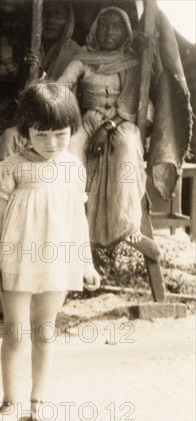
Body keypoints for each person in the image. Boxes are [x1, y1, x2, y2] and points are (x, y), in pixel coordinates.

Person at [0, 82, 101, 421]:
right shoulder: (11, 167)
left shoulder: (72, 167)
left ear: (72, 131)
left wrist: (85, 261)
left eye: (61, 134)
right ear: (25, 131)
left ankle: (39, 401)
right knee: (15, 333)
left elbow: (77, 218)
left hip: (58, 258)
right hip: (16, 258)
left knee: (46, 331)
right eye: (42, 134)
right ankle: (10, 403)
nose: (52, 143)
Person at [57, 6, 158, 258]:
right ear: (94, 30)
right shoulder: (83, 58)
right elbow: (61, 88)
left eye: (116, 26)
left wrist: (108, 127)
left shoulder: (134, 62)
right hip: (89, 120)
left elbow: (132, 102)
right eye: (103, 25)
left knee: (125, 147)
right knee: (68, 152)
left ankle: (128, 227)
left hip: (122, 121)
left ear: (126, 33)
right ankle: (71, 225)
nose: (108, 31)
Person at [0, 1, 81, 164]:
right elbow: (24, 93)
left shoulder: (73, 53)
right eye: (46, 14)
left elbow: (59, 98)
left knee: (10, 137)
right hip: (35, 116)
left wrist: (38, 70)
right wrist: (30, 68)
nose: (50, 21)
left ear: (68, 20)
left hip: (56, 119)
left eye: (58, 15)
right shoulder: (36, 47)